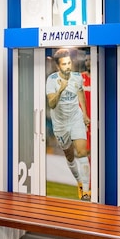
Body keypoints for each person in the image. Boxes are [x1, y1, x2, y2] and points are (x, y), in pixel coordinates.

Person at [45, 49, 91, 200]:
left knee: (82, 152)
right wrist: (61, 90)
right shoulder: (51, 80)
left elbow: (81, 95)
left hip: (75, 119)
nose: (67, 66)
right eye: (64, 64)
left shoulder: (77, 78)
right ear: (58, 67)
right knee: (70, 156)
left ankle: (85, 190)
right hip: (60, 124)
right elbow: (51, 104)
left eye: (69, 63)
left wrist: (84, 114)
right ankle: (78, 181)